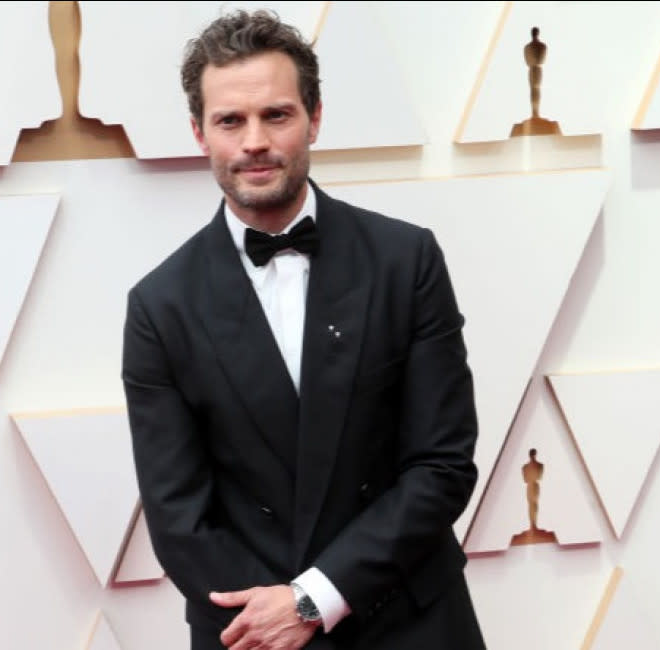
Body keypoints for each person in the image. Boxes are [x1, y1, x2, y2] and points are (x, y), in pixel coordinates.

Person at [122, 10, 484, 650]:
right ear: (200, 133)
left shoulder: (407, 261)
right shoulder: (160, 305)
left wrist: (314, 600)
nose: (254, 141)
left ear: (314, 118)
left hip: (408, 621)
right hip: (250, 633)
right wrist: (274, 617)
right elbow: (179, 518)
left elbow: (442, 465)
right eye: (230, 120)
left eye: (277, 115)